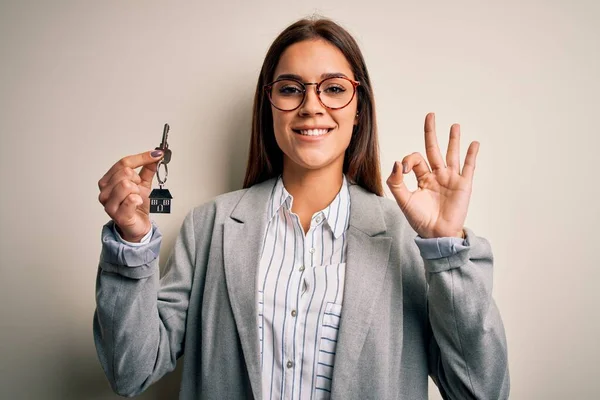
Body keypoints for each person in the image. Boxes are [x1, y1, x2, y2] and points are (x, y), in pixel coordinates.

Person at [94, 17, 509, 400]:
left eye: (333, 88)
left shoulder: (407, 239)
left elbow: (480, 391)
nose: (311, 105)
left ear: (358, 108)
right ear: (269, 104)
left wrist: (446, 248)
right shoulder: (209, 227)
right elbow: (131, 371)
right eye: (291, 88)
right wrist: (131, 244)